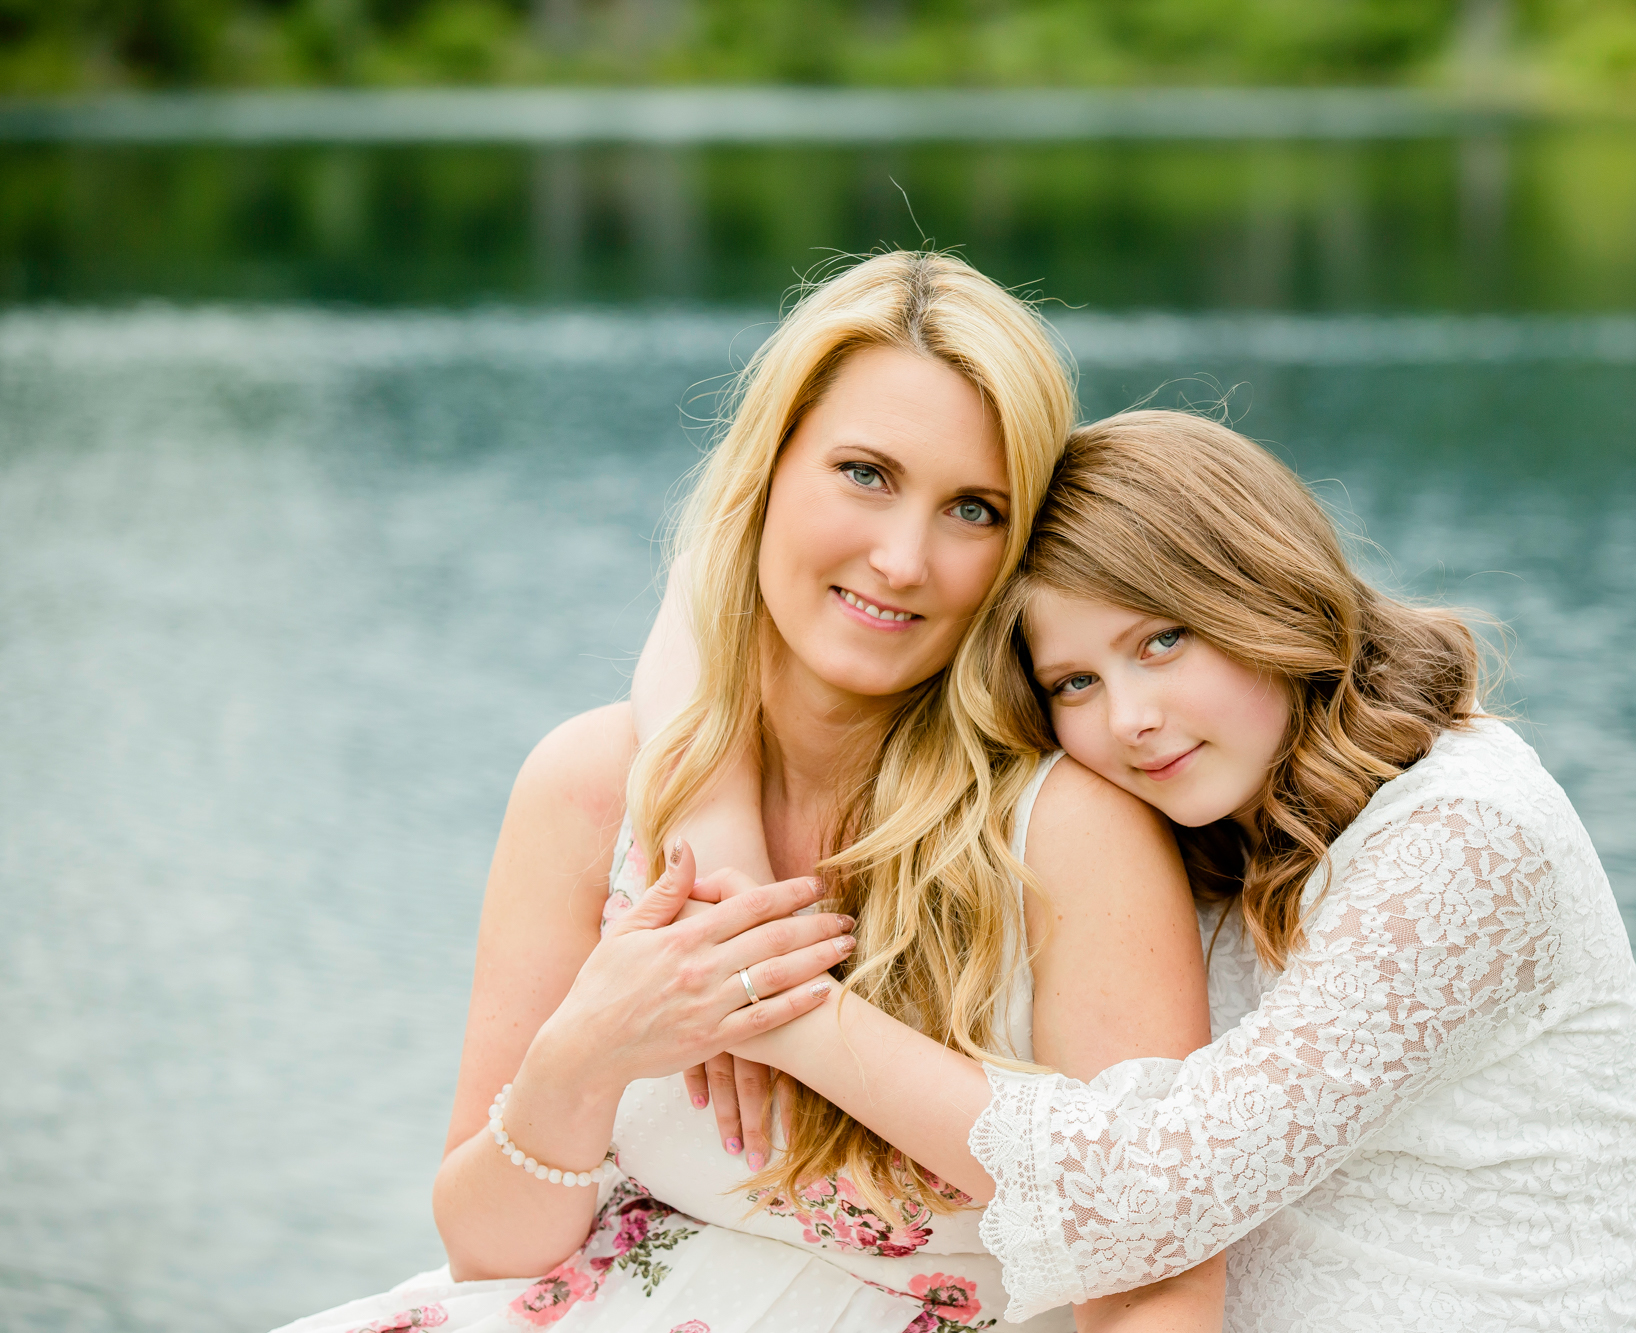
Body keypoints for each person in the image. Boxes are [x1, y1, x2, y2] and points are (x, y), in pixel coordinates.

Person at [274, 256, 1222, 1333]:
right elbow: (486, 1248)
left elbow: (1161, 1279)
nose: (903, 558)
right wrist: (588, 1056)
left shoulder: (1061, 832)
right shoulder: (590, 790)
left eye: (973, 509)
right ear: (768, 467)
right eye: (864, 473)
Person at [655, 410, 1636, 1331]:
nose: (1128, 717)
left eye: (1163, 640)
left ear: (1261, 588)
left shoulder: (1465, 838)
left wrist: (777, 997)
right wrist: (723, 816)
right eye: (1076, 680)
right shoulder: (1209, 801)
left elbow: (1153, 1195)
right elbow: (691, 615)